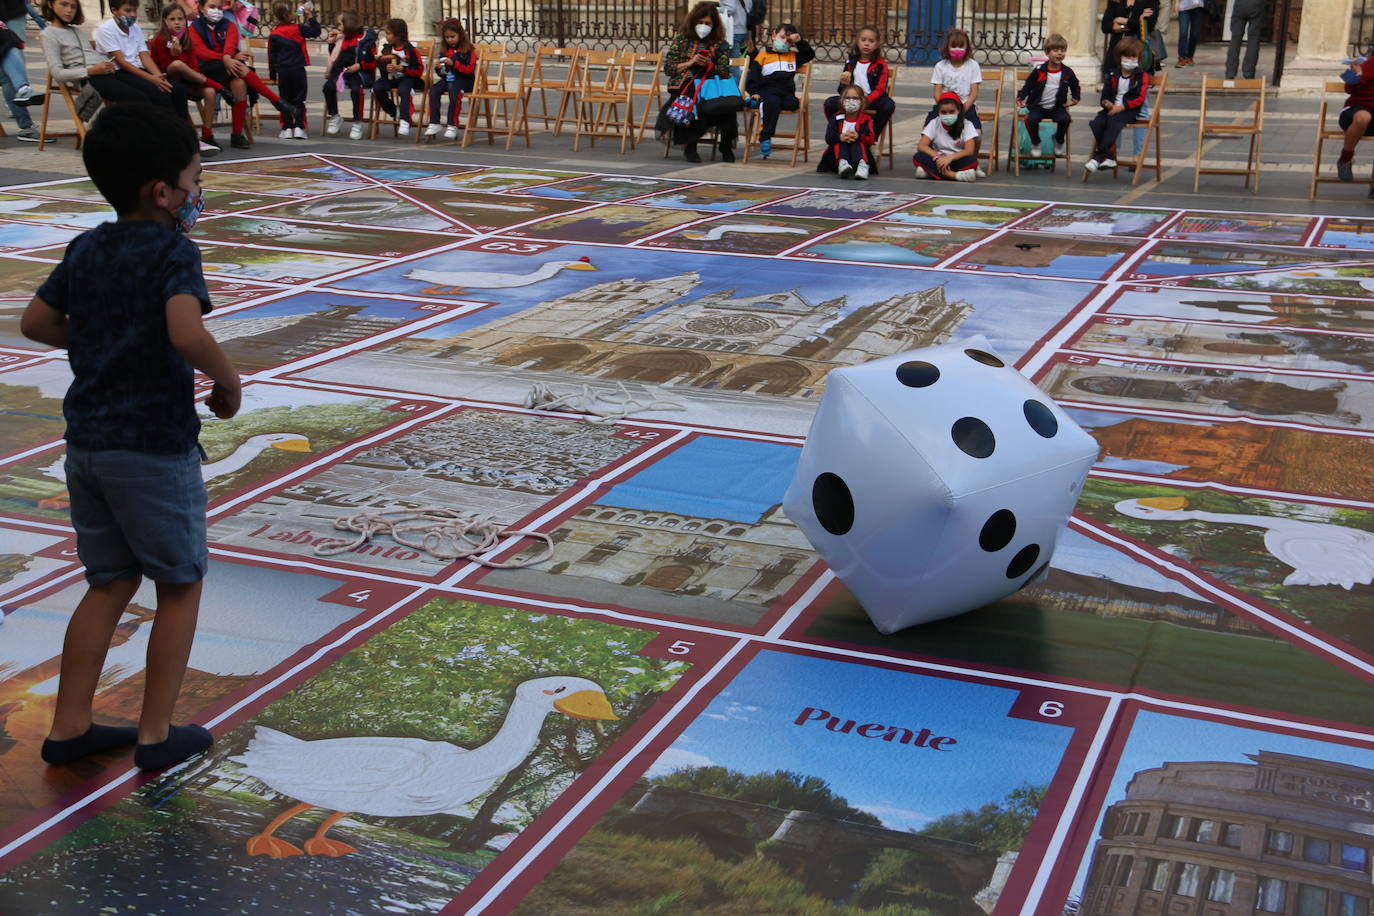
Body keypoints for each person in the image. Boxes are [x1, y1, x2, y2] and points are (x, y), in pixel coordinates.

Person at [20, 102, 241, 774]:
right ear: (162, 191)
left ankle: (70, 726)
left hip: (86, 446)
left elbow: (35, 321)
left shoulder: (87, 246)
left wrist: (102, 342)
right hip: (152, 450)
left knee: (109, 580)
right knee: (178, 582)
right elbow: (184, 330)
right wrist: (228, 381)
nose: (198, 189)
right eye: (194, 176)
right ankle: (155, 735)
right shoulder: (175, 250)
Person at [188, 0, 293, 149]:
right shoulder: (194, 28)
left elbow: (230, 46)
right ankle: (275, 100)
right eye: (211, 7)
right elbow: (202, 53)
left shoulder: (229, 25)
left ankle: (236, 135)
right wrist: (227, 58)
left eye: (219, 8)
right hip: (205, 70)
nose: (216, 11)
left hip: (227, 68)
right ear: (201, 8)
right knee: (238, 67)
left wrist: (228, 57)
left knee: (240, 83)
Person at [659, 2, 735, 163]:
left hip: (711, 84)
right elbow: (669, 69)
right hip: (685, 83)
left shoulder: (721, 44)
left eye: (707, 23)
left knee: (726, 108)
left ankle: (726, 146)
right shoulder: (682, 40)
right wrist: (691, 62)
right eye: (700, 23)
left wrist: (710, 64)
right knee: (690, 100)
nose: (703, 26)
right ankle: (690, 146)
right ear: (693, 22)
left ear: (714, 25)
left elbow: (724, 72)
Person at [93, 0, 188, 120]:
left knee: (177, 89)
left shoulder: (135, 28)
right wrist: (152, 80)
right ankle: (165, 134)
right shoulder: (106, 29)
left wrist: (160, 77)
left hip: (135, 69)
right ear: (114, 11)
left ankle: (183, 131)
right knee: (157, 93)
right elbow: (121, 62)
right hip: (117, 72)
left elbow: (144, 56)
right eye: (128, 10)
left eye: (134, 10)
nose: (133, 15)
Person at [150, 3, 224, 153]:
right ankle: (191, 136)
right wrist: (174, 54)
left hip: (189, 78)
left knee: (209, 92)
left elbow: (194, 65)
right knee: (177, 65)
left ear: (185, 20)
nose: (177, 22)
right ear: (165, 21)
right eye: (172, 19)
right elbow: (164, 66)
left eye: (180, 19)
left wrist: (191, 73)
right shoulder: (160, 39)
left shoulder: (187, 38)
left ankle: (207, 134)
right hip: (169, 78)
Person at [746, 22, 813, 158]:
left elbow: (809, 54)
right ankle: (765, 137)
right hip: (768, 90)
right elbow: (752, 78)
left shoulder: (793, 57)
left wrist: (798, 42)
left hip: (786, 93)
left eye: (788, 40)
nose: (784, 42)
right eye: (782, 37)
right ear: (774, 35)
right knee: (772, 101)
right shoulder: (763, 56)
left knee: (793, 104)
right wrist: (754, 92)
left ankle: (760, 104)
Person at [40, 0, 107, 128]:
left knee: (137, 87)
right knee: (120, 93)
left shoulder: (78, 32)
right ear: (51, 4)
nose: (69, 10)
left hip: (103, 72)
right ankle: (97, 133)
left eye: (73, 7)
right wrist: (91, 71)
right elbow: (58, 74)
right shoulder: (48, 34)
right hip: (87, 79)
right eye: (64, 4)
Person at [1086, 35, 1148, 172]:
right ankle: (1110, 156)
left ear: (1138, 58)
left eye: (1133, 57)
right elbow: (1105, 95)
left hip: (1128, 110)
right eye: (1127, 56)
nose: (1130, 60)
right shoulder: (1113, 75)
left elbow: (1140, 98)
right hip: (1111, 109)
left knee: (1113, 122)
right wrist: (1107, 103)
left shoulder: (1141, 76)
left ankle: (1098, 157)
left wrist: (1121, 107)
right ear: (1120, 57)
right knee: (1097, 122)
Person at [821, 25, 893, 142]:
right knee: (829, 103)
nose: (866, 44)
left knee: (888, 105)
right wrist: (844, 84)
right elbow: (841, 91)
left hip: (870, 100)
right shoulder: (851, 62)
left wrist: (866, 100)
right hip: (851, 98)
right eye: (863, 40)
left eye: (871, 41)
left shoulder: (880, 64)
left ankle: (871, 138)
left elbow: (880, 89)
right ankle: (838, 132)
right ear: (858, 42)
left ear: (876, 44)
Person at [1016, 33, 1079, 158]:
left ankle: (1058, 139)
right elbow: (1028, 86)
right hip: (1038, 106)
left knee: (1065, 119)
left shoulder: (1067, 72)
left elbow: (1075, 85)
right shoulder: (1039, 70)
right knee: (1030, 120)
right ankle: (1036, 142)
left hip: (1057, 107)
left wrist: (1075, 98)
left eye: (1062, 50)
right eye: (1056, 50)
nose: (1059, 53)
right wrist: (1020, 97)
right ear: (1047, 53)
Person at [266, 0, 318, 138]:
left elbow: (271, 56)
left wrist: (272, 74)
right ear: (290, 14)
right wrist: (310, 16)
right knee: (300, 99)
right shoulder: (298, 29)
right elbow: (316, 31)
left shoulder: (274, 33)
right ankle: (299, 127)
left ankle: (287, 127)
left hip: (283, 71)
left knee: (285, 99)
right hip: (298, 69)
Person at [321, 8, 375, 140]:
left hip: (357, 72)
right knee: (328, 87)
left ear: (349, 24)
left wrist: (359, 66)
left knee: (356, 90)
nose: (338, 27)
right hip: (341, 71)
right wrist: (331, 44)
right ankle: (334, 115)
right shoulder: (341, 39)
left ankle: (357, 121)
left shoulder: (363, 40)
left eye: (340, 24)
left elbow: (373, 61)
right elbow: (335, 57)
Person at [423, 17, 473, 140]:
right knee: (434, 90)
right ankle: (434, 122)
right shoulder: (446, 50)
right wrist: (439, 68)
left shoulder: (468, 50)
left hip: (465, 80)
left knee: (453, 90)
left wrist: (454, 64)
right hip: (449, 78)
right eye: (447, 37)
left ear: (460, 35)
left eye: (452, 36)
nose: (450, 40)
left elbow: (469, 69)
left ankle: (452, 124)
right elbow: (443, 74)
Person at [372, 17, 421, 136]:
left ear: (399, 35)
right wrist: (385, 68)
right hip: (390, 78)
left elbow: (418, 69)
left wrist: (403, 69)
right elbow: (380, 66)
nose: (386, 36)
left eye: (388, 33)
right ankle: (394, 111)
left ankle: (405, 120)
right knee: (377, 88)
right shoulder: (386, 49)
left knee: (404, 90)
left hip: (406, 78)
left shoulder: (410, 50)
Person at [914, 90, 978, 181]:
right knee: (918, 157)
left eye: (951, 112)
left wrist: (950, 158)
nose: (948, 115)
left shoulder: (967, 125)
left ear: (958, 110)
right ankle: (954, 175)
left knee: (972, 161)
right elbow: (922, 146)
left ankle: (932, 173)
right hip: (938, 160)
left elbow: (969, 150)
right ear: (939, 112)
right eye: (943, 112)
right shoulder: (934, 123)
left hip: (956, 159)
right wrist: (938, 157)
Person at [819, 83, 875, 179]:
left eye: (855, 98)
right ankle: (842, 163)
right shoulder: (836, 118)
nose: (851, 101)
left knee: (856, 142)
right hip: (836, 155)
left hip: (859, 152)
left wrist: (858, 136)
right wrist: (840, 137)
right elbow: (829, 138)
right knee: (841, 142)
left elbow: (870, 139)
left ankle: (862, 165)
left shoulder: (866, 119)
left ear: (862, 101)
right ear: (842, 101)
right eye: (847, 98)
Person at [1335, 55, 1374, 189]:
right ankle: (1345, 159)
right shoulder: (1366, 63)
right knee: (1363, 117)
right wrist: (1358, 74)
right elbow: (1349, 89)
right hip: (1355, 111)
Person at [1100, 0, 1157, 76]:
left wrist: (1121, 20)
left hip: (1140, 53)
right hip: (1116, 54)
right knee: (1111, 84)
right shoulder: (1115, 1)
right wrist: (1138, 22)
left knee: (1140, 85)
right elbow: (1106, 26)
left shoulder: (1150, 1)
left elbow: (1149, 25)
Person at [1225, 0, 1262, 80]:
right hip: (1257, 4)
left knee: (1235, 39)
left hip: (1240, 4)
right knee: (1253, 39)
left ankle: (1230, 72)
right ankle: (1249, 73)